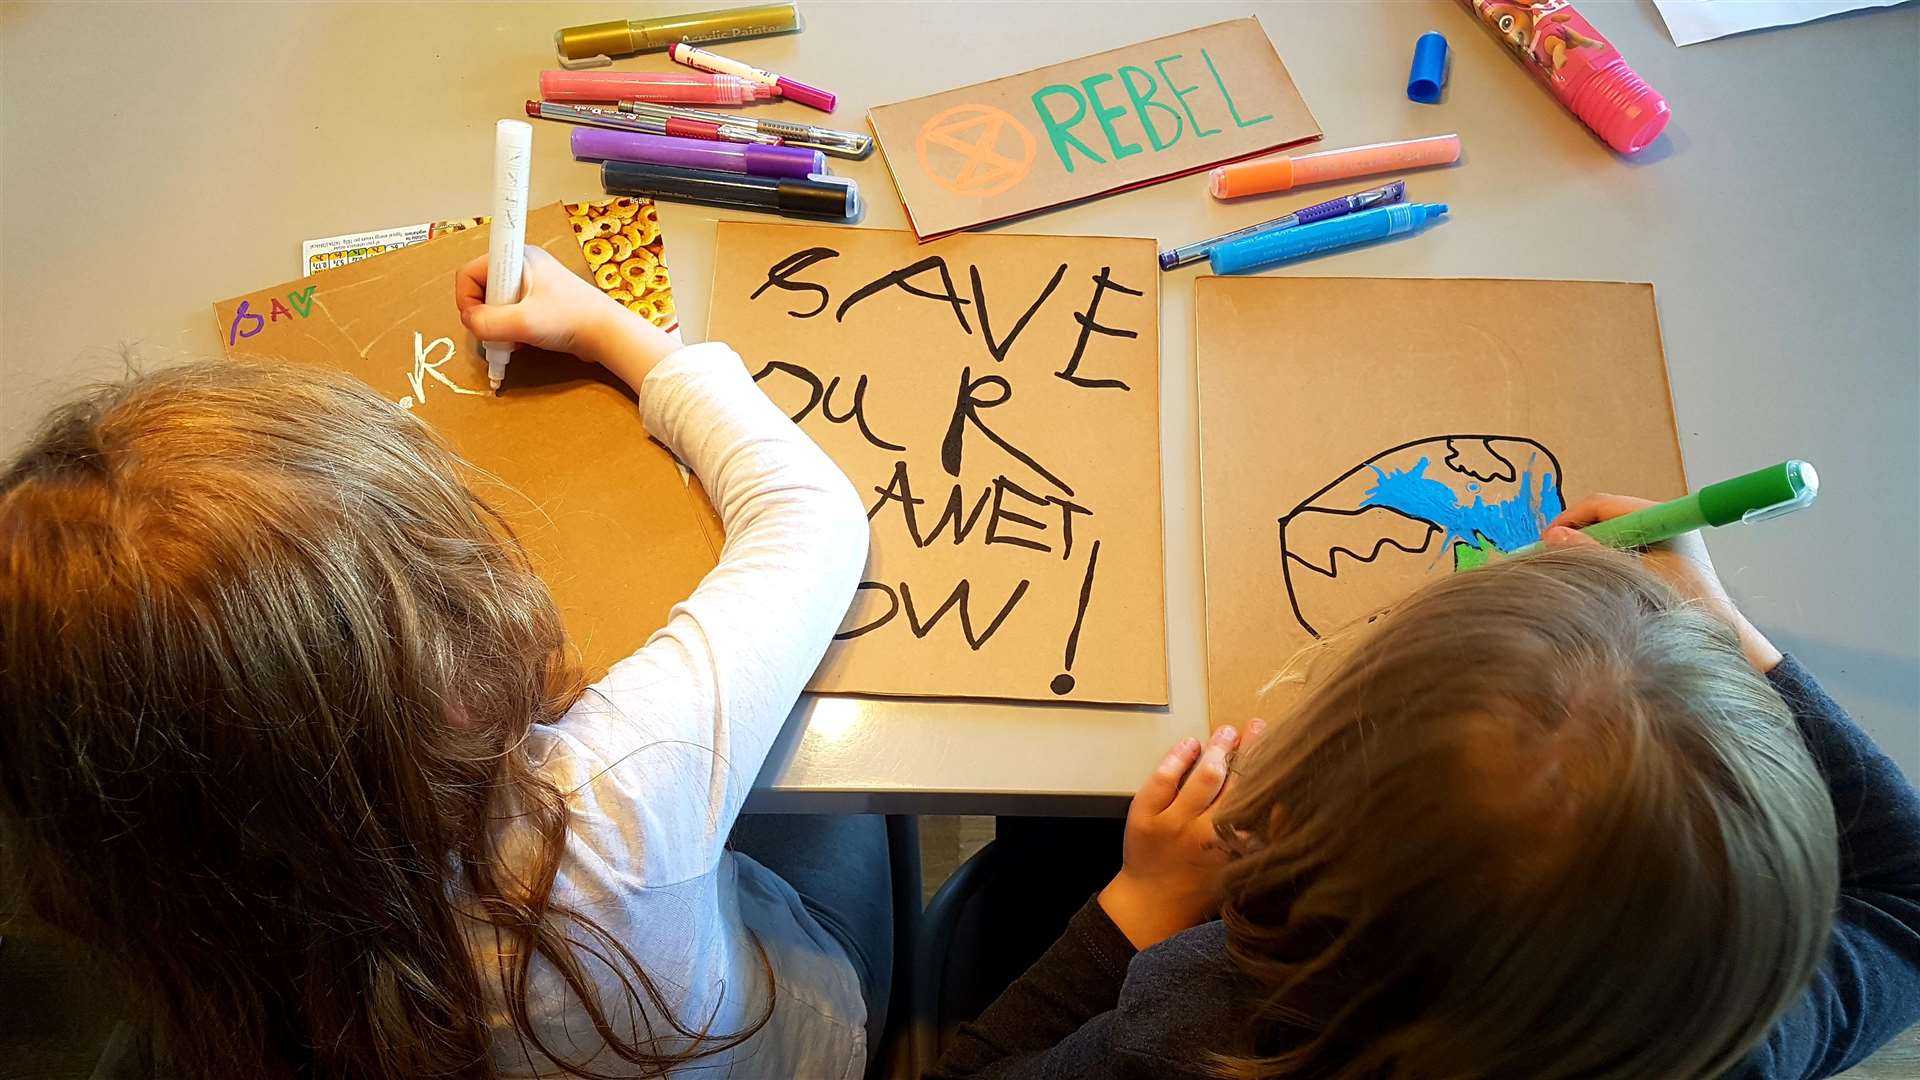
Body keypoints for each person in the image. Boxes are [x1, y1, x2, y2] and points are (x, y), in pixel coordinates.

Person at [0, 246, 886, 1079]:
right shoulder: (612, 799)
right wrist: (611, 331)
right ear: (454, 690)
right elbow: (812, 516)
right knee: (859, 793)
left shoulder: (177, 928)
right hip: (790, 1038)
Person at [929, 501, 1920, 1079]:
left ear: (1278, 852)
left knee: (1038, 851)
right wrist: (1713, 634)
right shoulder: (1725, 1036)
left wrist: (1143, 905)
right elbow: (1909, 896)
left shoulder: (1197, 1033)